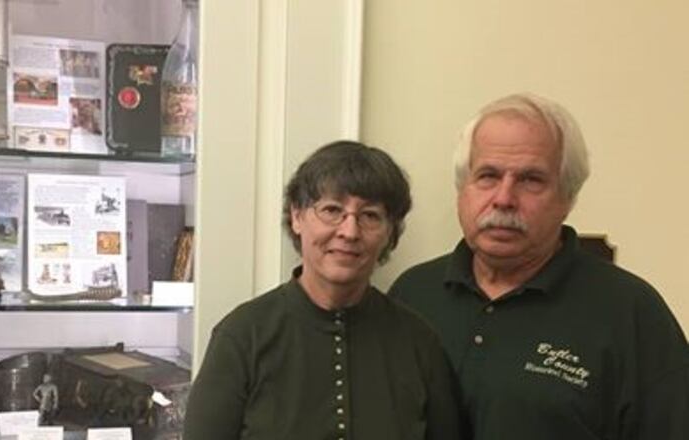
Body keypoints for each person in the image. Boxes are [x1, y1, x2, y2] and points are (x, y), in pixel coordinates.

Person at [389, 93, 689, 440]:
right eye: (488, 175)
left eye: (531, 180)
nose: (503, 198)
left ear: (567, 198)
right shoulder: (412, 294)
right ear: (462, 190)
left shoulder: (631, 311)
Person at [184, 140, 467, 440]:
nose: (349, 232)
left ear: (389, 232)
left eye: (370, 215)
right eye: (332, 210)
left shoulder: (419, 344)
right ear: (296, 216)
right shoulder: (242, 337)